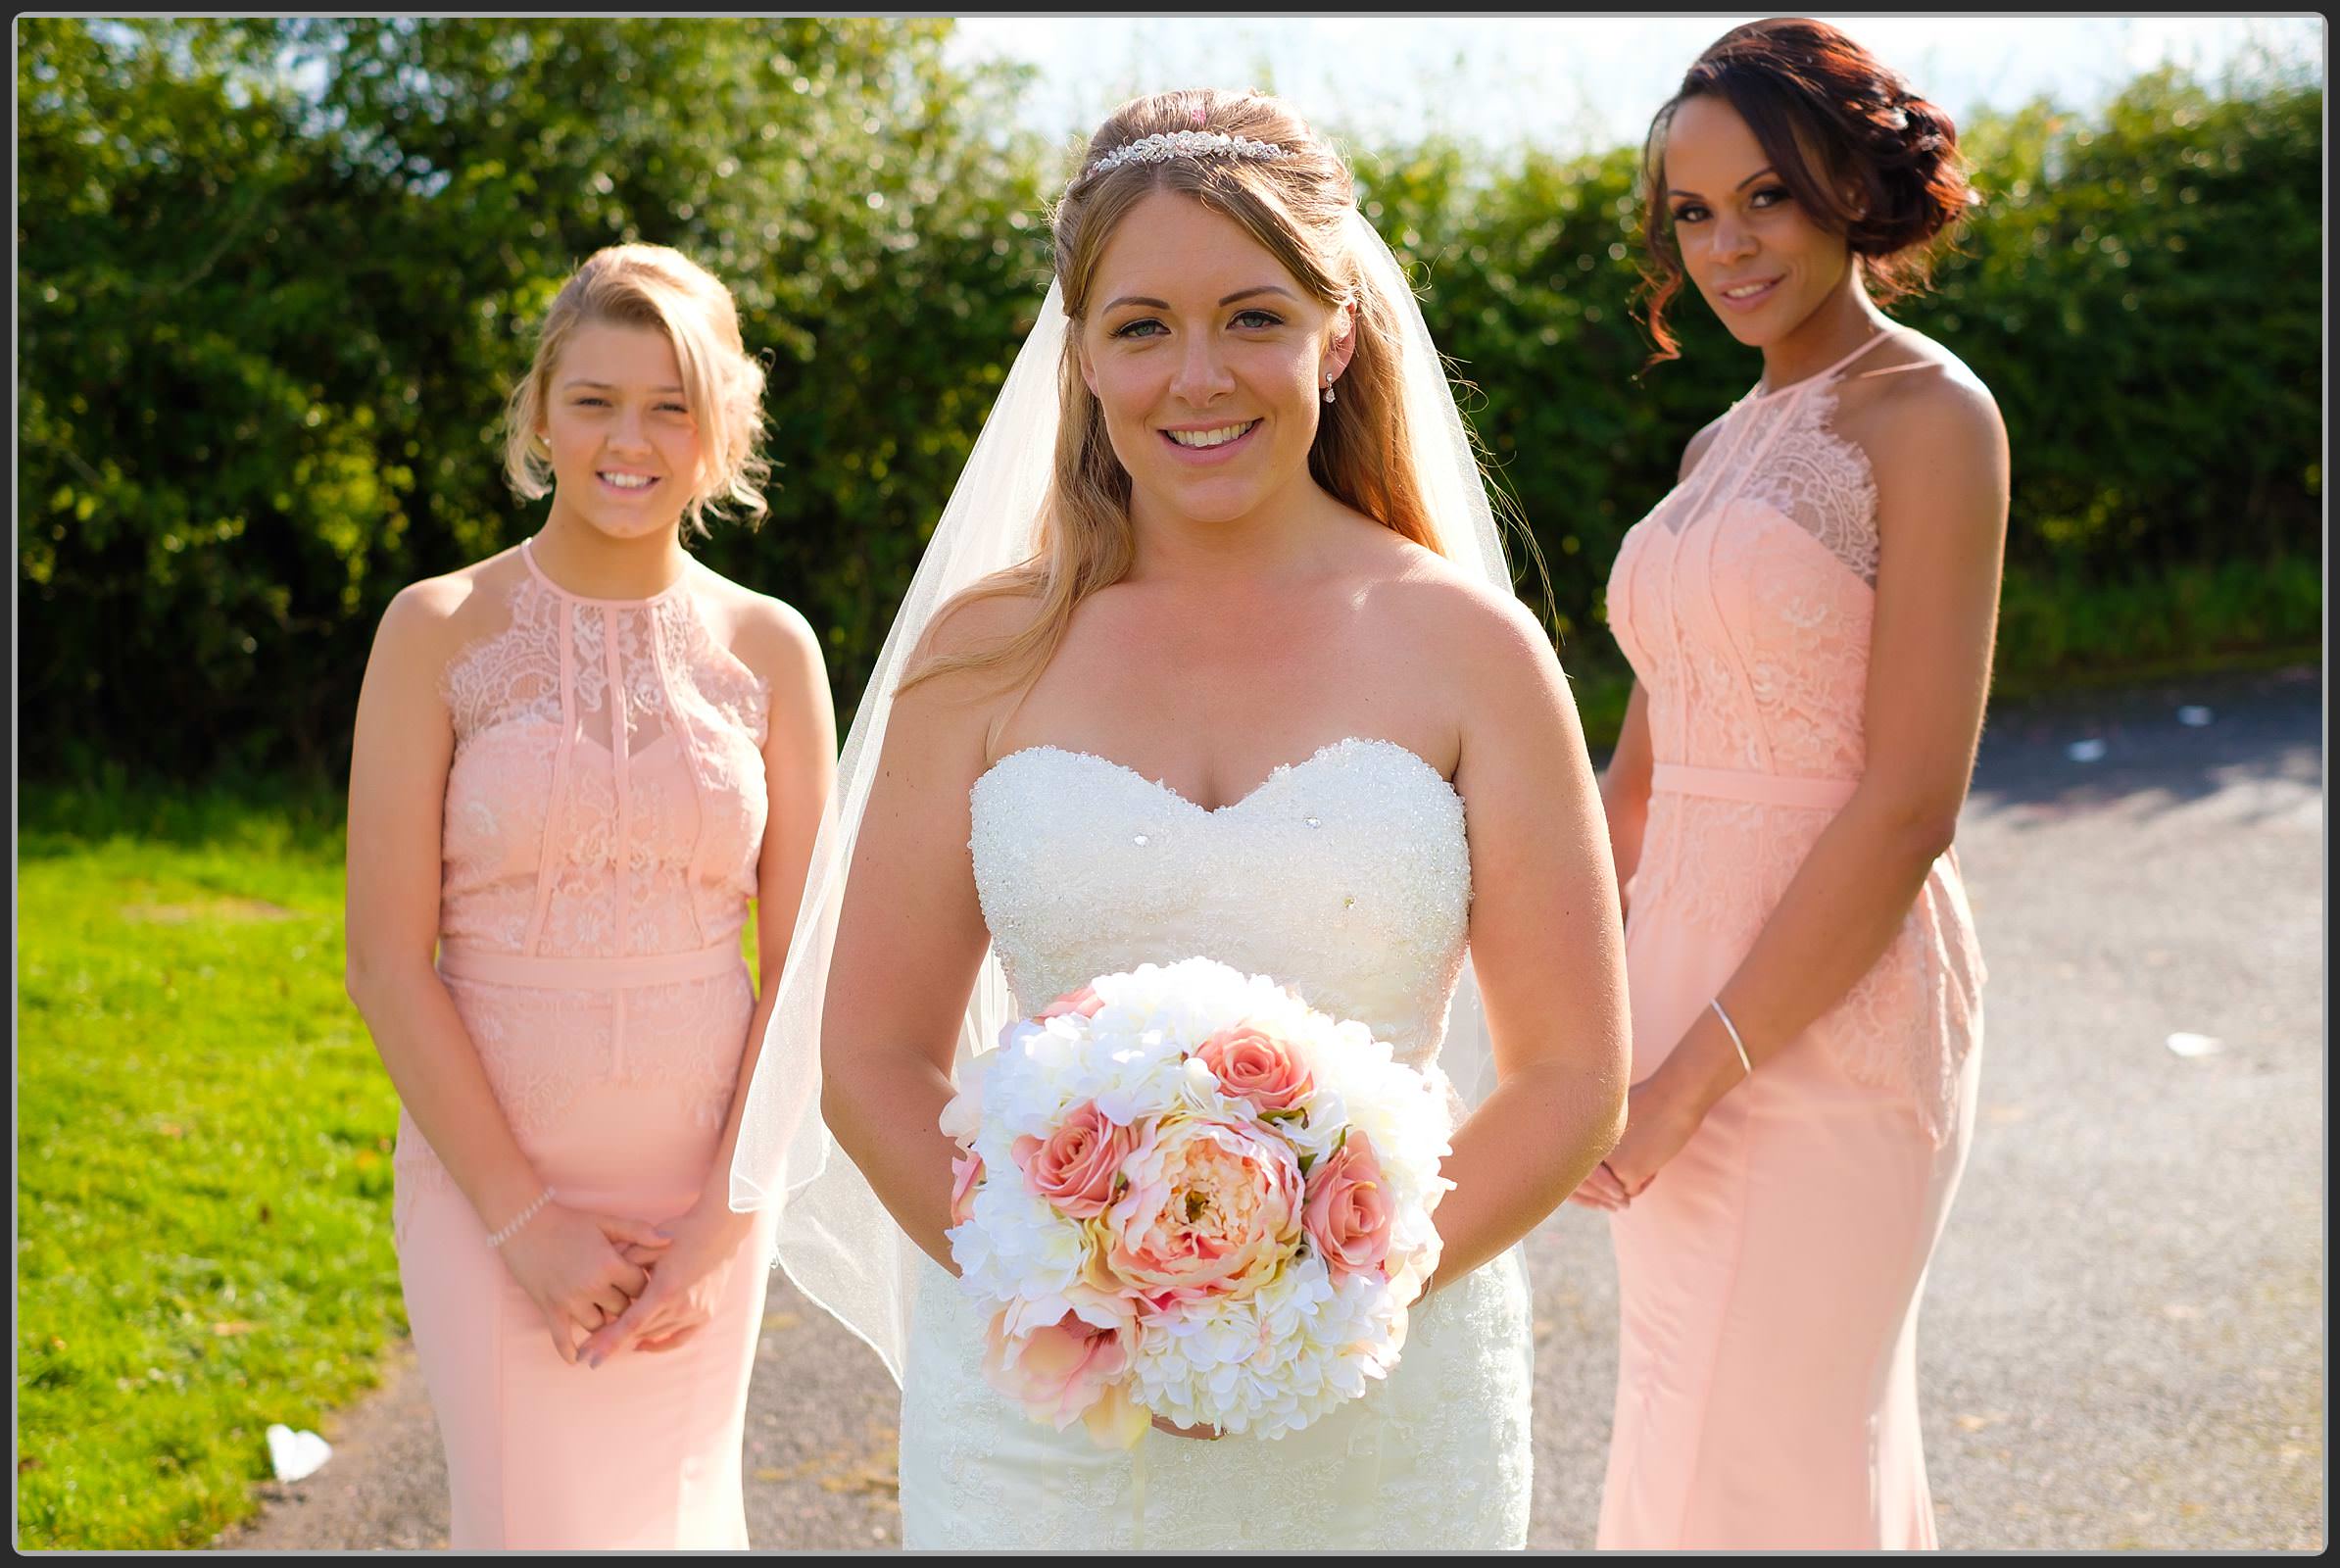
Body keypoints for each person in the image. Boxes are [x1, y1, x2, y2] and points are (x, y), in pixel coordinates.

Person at [727, 87, 1631, 1549]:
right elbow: (874, 1056)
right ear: (1078, 354)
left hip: (1386, 1413)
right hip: (1048, 1423)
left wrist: (1315, 1307)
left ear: (1338, 335)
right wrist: (1078, 1297)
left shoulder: (1471, 650)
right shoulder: (985, 654)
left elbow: (1574, 1072)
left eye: (1253, 317)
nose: (1196, 376)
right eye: (1142, 325)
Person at [1575, 17, 2008, 1550]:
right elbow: (1637, 773)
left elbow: (1909, 805)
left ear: (1846, 181)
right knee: (1688, 1434)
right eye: (1692, 211)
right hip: (1668, 980)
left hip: (1827, 1011)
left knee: (1770, 1464)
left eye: (1763, 194)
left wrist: (1686, 1080)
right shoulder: (1717, 444)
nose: (1726, 245)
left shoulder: (1930, 417)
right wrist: (1539, 1004)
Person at [344, 243, 834, 1548]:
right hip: (490, 1194)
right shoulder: (436, 628)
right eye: (596, 399)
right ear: (542, 411)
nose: (632, 439)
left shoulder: (772, 650)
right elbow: (389, 961)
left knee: (679, 1523)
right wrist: (528, 1224)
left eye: (671, 404)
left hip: (704, 1207)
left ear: (720, 428)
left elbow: (802, 974)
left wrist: (724, 1227)